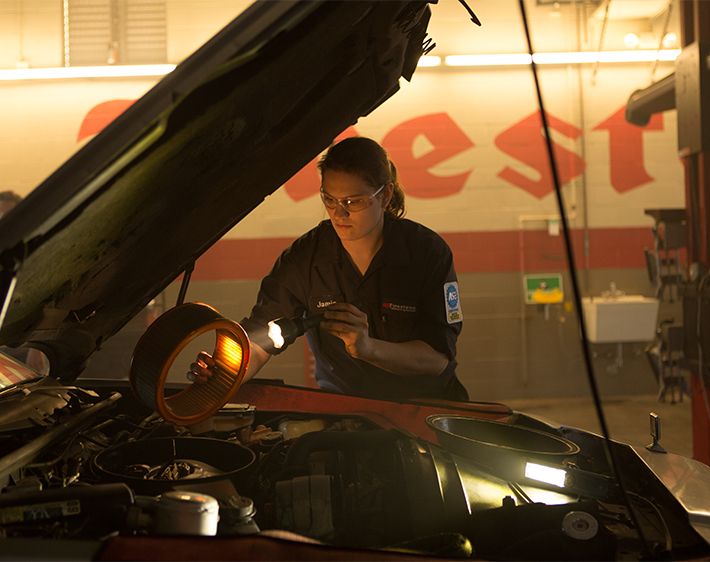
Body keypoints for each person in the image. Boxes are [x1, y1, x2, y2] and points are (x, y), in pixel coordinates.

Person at [201, 137, 468, 401]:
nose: (339, 214)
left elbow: (437, 359)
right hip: (345, 412)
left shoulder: (426, 253)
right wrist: (224, 373)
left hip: (425, 410)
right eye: (329, 200)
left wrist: (368, 349)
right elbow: (260, 341)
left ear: (385, 195)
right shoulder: (304, 259)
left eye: (353, 202)